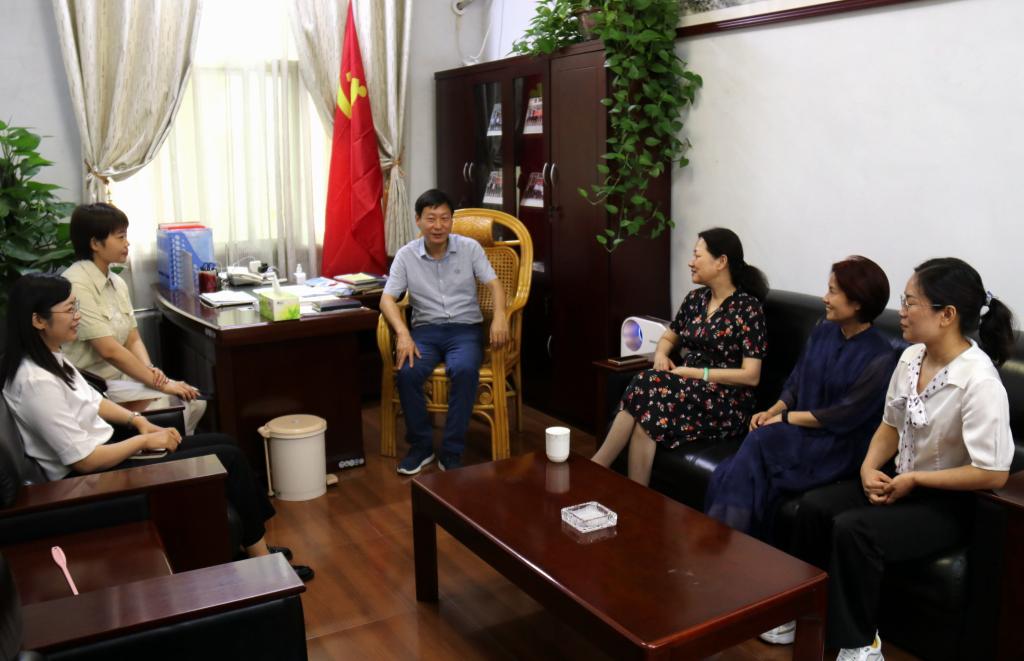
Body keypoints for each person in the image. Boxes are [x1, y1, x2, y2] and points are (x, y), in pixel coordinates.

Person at [0, 274, 314, 582]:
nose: (77, 316)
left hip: (109, 450)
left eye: (76, 306)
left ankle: (254, 545)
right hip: (91, 479)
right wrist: (143, 442)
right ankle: (261, 561)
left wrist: (139, 422)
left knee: (226, 444)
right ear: (38, 320)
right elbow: (84, 461)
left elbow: (94, 402)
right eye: (69, 310)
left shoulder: (50, 356)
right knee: (226, 458)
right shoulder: (35, 382)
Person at [789, 258, 1014, 661]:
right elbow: (890, 425)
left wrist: (916, 481)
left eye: (911, 302)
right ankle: (805, 615)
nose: (901, 311)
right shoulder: (911, 358)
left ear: (947, 315)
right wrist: (868, 467)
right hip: (901, 480)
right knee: (813, 507)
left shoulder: (979, 381)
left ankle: (860, 644)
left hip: (948, 503)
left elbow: (992, 472)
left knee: (854, 530)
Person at [700, 257, 898, 646]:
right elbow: (794, 380)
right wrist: (772, 410)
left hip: (836, 444)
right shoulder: (823, 330)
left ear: (857, 302)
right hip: (799, 431)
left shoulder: (881, 355)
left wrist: (786, 419)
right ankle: (738, 571)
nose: (825, 297)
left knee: (752, 450)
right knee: (739, 462)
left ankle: (720, 559)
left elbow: (844, 414)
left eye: (833, 291)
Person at [592, 228, 768, 486]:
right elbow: (668, 337)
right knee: (647, 415)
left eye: (697, 255)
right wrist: (661, 355)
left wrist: (697, 373)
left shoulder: (748, 309)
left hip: (725, 400)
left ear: (721, 262)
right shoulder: (696, 300)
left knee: (645, 383)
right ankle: (635, 495)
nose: (690, 262)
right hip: (688, 388)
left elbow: (751, 376)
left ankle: (597, 468)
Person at [380, 189, 508, 475]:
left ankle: (451, 450)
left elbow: (495, 285)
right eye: (431, 218)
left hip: (465, 329)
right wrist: (403, 333)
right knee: (408, 372)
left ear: (452, 220)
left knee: (463, 370)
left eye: (444, 218)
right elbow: (387, 299)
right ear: (418, 220)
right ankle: (421, 447)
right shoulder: (406, 255)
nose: (438, 226)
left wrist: (500, 315)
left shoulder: (469, 248)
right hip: (425, 331)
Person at [62, 203, 206, 434]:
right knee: (183, 404)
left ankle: (177, 450)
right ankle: (168, 451)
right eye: (120, 237)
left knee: (195, 401)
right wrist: (161, 383)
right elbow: (109, 350)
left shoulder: (116, 282)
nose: (127, 243)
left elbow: (132, 338)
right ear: (95, 243)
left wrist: (151, 371)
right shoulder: (77, 284)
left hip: (122, 380)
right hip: (95, 387)